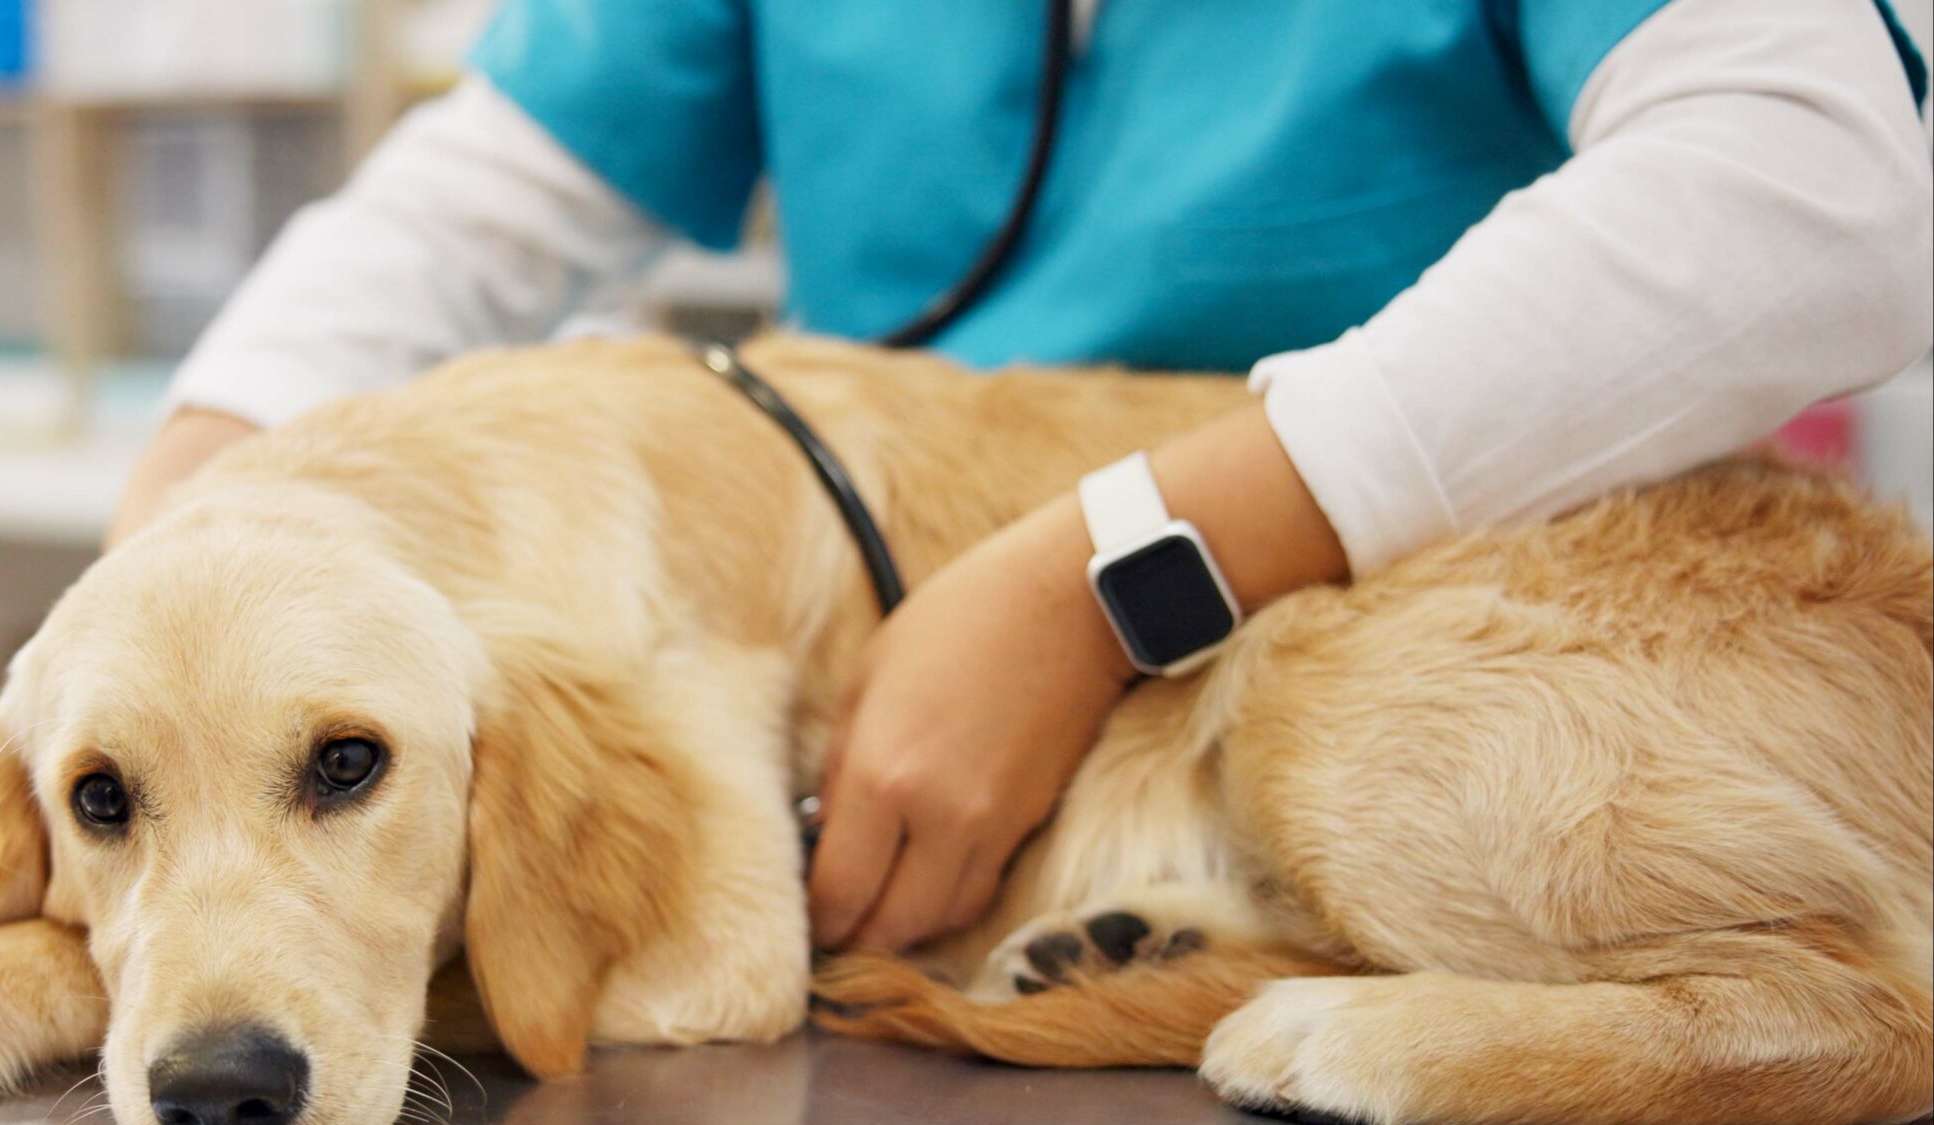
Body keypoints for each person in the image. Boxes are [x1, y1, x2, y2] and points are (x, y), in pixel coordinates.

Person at [117, 0, 1932, 956]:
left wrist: (1120, 572)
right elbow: (470, 209)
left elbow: (1834, 184)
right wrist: (177, 550)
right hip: (905, 748)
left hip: (1456, 667)